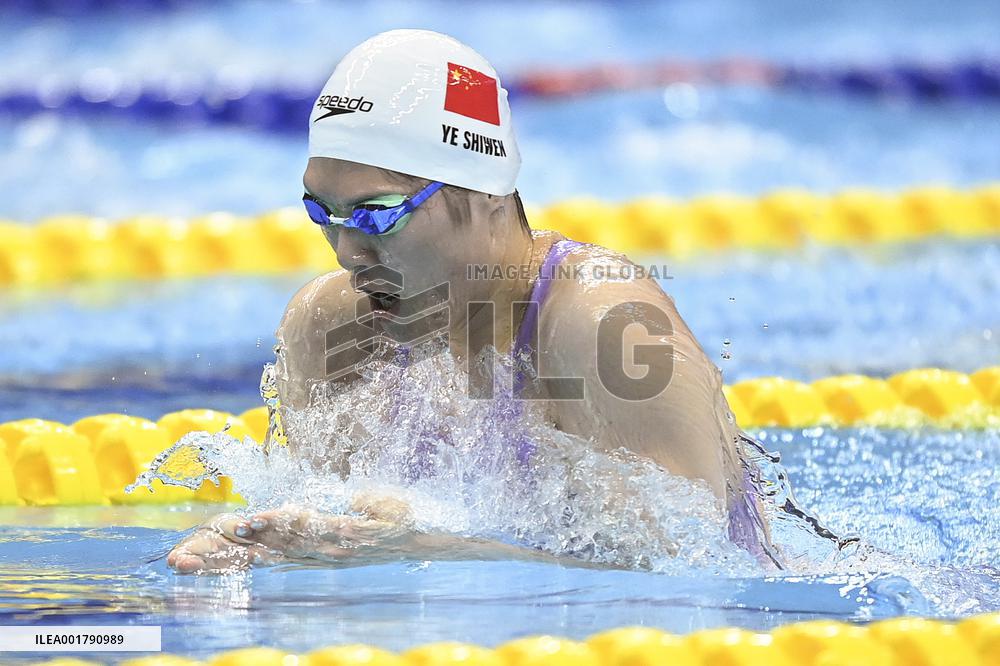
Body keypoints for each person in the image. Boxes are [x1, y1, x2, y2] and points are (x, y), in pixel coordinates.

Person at [167, 29, 774, 574]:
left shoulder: (603, 326)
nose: (347, 253)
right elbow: (337, 547)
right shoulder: (330, 329)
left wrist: (438, 551)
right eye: (322, 213)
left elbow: (691, 574)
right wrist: (260, 549)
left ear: (485, 194)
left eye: (379, 215)